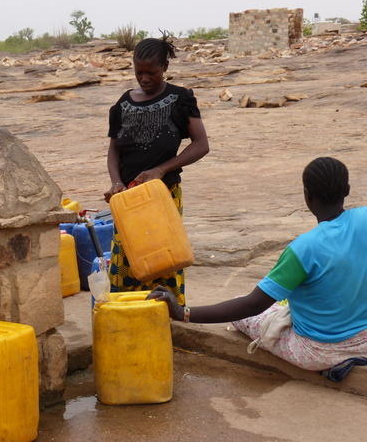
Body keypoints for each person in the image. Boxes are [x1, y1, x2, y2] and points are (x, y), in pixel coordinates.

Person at [149, 157, 367, 371]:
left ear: (307, 197)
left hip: (318, 351)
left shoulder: (303, 249)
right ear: (346, 190)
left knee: (247, 312)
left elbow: (252, 305)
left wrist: (183, 313)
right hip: (363, 340)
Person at [104, 36, 209, 305]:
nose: (144, 78)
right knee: (126, 259)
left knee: (165, 258)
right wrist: (116, 183)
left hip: (164, 195)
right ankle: (128, 312)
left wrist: (161, 169)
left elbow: (201, 145)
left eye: (151, 72)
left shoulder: (180, 99)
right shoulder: (123, 104)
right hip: (127, 199)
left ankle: (169, 317)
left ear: (164, 67)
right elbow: (114, 150)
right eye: (139, 72)